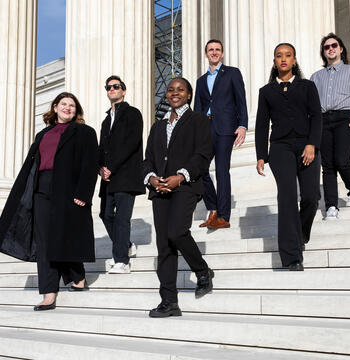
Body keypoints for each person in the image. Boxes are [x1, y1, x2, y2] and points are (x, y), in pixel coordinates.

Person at [0, 92, 99, 310]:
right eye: (63, 104)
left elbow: (90, 164)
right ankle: (48, 293)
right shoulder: (42, 134)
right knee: (44, 241)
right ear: (55, 107)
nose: (67, 108)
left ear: (76, 110)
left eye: (72, 105)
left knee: (64, 235)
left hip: (67, 188)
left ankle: (77, 275)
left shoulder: (85, 132)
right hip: (41, 189)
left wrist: (84, 193)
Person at [144, 77, 214, 318]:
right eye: (171, 90)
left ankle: (201, 269)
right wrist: (152, 179)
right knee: (164, 246)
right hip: (159, 190)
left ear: (189, 95)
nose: (175, 93)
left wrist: (180, 177)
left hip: (186, 185)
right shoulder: (158, 126)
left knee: (176, 232)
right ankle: (169, 302)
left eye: (180, 90)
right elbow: (148, 159)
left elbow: (203, 154)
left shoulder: (198, 120)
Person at [255, 43, 322, 271]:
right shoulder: (266, 92)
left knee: (311, 196)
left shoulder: (308, 86)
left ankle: (301, 233)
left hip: (307, 145)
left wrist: (312, 144)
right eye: (279, 56)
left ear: (294, 60)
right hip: (280, 148)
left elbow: (316, 118)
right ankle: (292, 256)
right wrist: (261, 155)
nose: (283, 59)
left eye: (288, 55)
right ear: (274, 61)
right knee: (287, 196)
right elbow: (262, 125)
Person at [194, 39, 248, 229]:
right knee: (199, 169)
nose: (214, 52)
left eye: (217, 50)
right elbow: (198, 108)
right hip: (205, 129)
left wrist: (243, 125)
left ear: (222, 53)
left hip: (225, 128)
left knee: (222, 170)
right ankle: (213, 208)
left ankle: (223, 216)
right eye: (211, 50)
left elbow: (241, 100)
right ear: (206, 54)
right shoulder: (200, 81)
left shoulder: (232, 73)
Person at [310, 33, 350, 220]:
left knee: (341, 159)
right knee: (327, 165)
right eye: (326, 47)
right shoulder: (316, 77)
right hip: (323, 120)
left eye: (334, 45)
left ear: (340, 49)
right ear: (323, 52)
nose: (330, 48)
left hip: (345, 118)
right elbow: (311, 104)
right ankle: (331, 206)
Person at [99, 75, 145, 274]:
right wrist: (100, 167)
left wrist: (112, 167)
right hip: (108, 177)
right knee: (105, 214)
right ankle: (125, 245)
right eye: (108, 87)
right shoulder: (105, 120)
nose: (112, 89)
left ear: (123, 91)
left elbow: (132, 143)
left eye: (116, 86)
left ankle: (122, 261)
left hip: (126, 174)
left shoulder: (133, 113)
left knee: (122, 218)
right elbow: (101, 148)